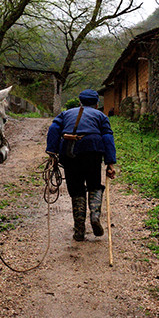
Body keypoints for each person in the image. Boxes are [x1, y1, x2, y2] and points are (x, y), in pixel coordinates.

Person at [46, 89, 117, 241]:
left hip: (70, 151)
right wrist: (110, 162)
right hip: (93, 150)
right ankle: (95, 216)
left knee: (76, 188)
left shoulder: (66, 114)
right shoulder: (100, 116)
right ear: (97, 104)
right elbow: (107, 137)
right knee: (94, 184)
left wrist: (52, 152)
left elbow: (53, 129)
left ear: (80, 102)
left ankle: (79, 229)